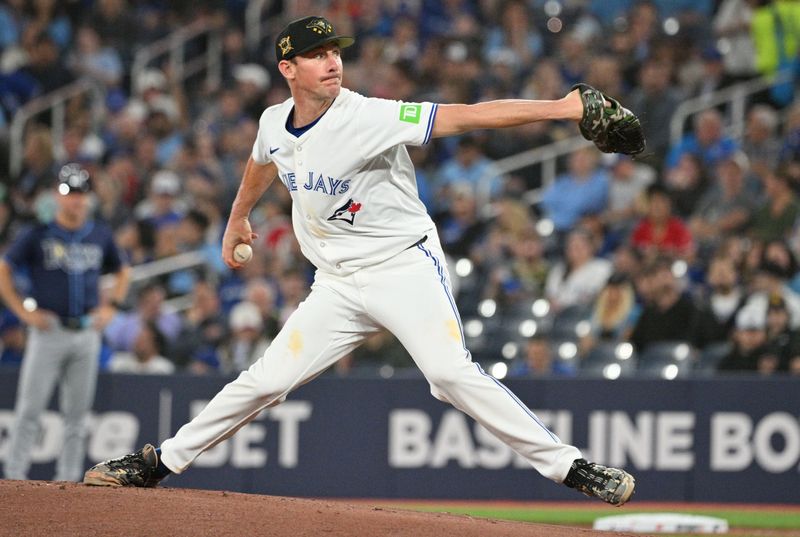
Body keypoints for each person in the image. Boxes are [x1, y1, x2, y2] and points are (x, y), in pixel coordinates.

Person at [83, 15, 635, 505]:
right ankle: (158, 464)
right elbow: (261, 162)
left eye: (336, 52)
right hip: (337, 283)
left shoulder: (368, 116)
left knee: (447, 374)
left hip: (403, 267)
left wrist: (565, 108)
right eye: (318, 55)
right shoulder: (275, 122)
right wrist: (237, 217)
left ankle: (571, 466)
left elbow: (468, 116)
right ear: (287, 68)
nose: (332, 62)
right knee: (264, 380)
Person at [0, 163, 130, 482]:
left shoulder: (99, 234)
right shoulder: (39, 234)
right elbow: (4, 268)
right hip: (49, 330)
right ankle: (13, 479)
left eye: (81, 193)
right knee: (30, 410)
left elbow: (123, 270)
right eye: (70, 193)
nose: (76, 200)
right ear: (58, 196)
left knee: (77, 415)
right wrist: (23, 312)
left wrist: (111, 306)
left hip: (85, 331)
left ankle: (69, 483)